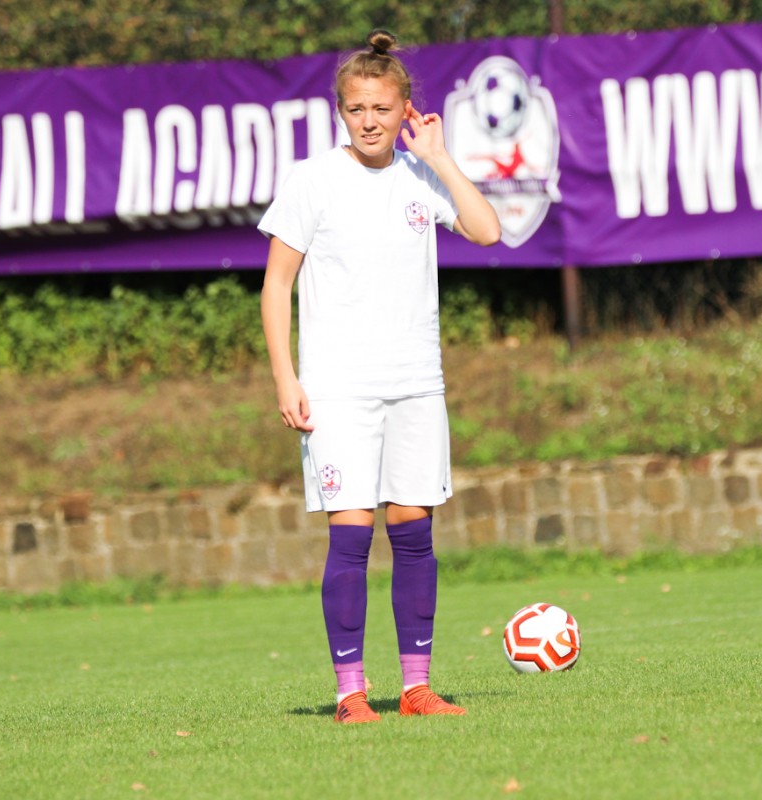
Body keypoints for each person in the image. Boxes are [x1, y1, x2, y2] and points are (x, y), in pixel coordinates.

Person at [258, 29, 501, 724]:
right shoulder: (312, 181)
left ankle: (417, 689)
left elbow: (488, 231)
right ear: (341, 110)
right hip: (338, 391)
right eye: (356, 108)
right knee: (351, 536)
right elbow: (276, 286)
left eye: (382, 108)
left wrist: (441, 156)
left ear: (405, 111)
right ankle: (351, 694)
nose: (369, 121)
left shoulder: (422, 176)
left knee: (414, 533)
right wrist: (285, 378)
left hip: (417, 385)